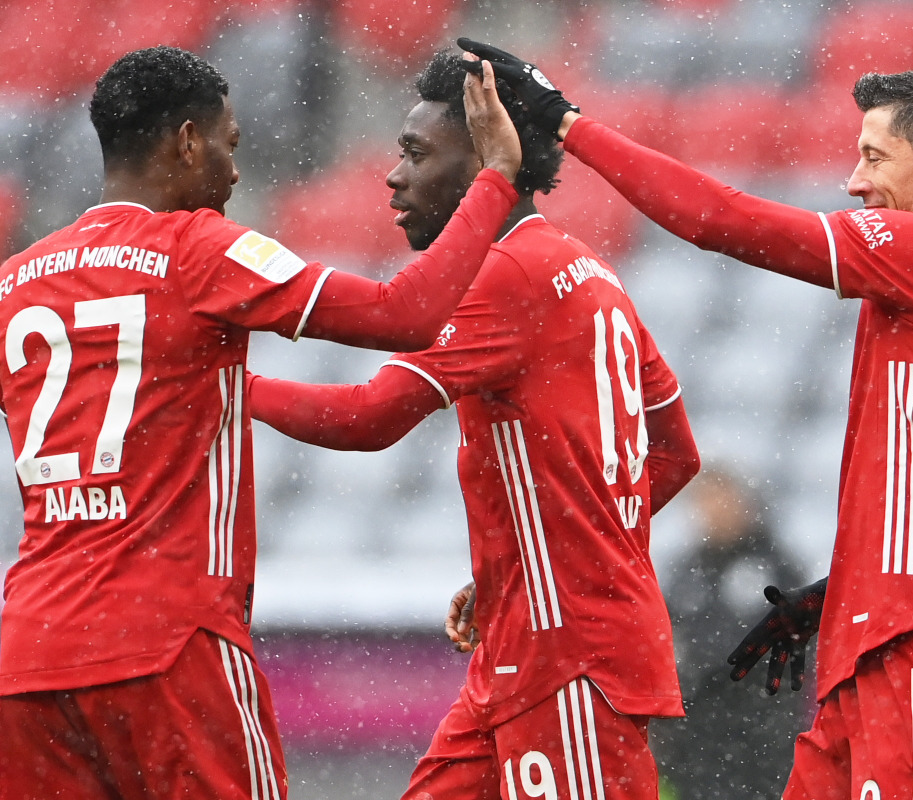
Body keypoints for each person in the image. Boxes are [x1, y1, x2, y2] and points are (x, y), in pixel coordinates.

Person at [457, 39, 913, 800]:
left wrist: (567, 125)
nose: (853, 180)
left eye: (875, 158)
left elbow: (719, 219)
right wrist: (858, 583)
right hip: (890, 660)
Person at [0, 45, 521, 799]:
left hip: (33, 659)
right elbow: (407, 315)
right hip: (170, 643)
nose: (235, 176)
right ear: (186, 142)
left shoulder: (13, 280)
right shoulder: (197, 248)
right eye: (230, 147)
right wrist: (496, 177)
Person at [247, 50, 701, 800]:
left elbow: (371, 416)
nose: (394, 176)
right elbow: (675, 455)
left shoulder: (509, 273)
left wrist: (226, 387)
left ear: (490, 155)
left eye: (417, 153)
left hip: (570, 662)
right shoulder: (587, 267)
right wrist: (534, 565)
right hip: (530, 650)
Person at [650, 465, 809, 800]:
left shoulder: (778, 566)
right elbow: (669, 643)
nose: (713, 511)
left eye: (720, 498)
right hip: (698, 743)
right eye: (704, 502)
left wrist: (709, 665)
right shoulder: (685, 571)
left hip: (762, 737)